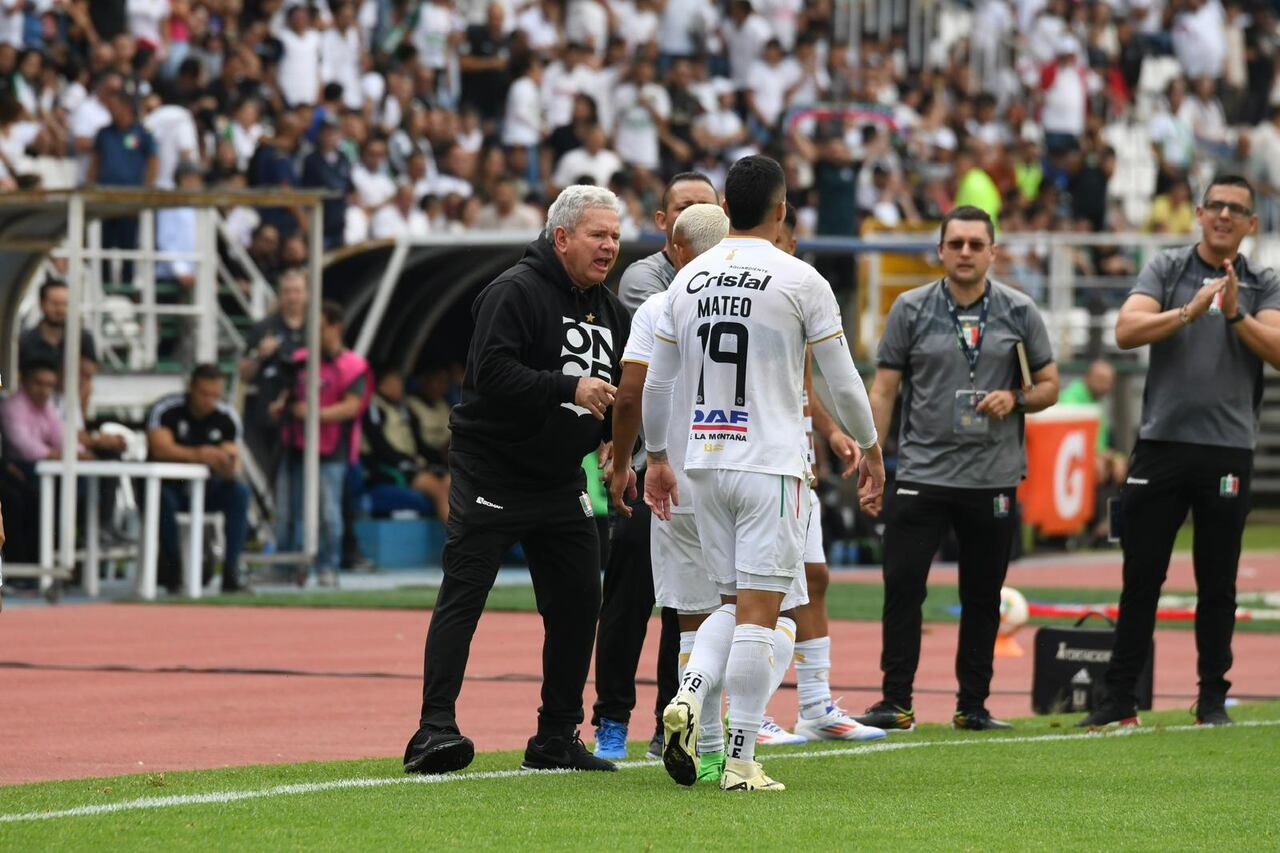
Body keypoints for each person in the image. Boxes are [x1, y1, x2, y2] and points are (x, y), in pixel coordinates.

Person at [642, 155, 884, 792]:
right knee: (761, 614)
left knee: (725, 605)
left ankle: (690, 694)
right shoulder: (800, 279)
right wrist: (871, 444)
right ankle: (743, 760)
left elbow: (659, 382)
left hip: (703, 463)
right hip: (770, 464)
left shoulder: (685, 281)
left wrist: (658, 457)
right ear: (781, 210)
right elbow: (842, 377)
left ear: (725, 209)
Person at [403, 185, 631, 776]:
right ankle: (434, 730)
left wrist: (612, 440)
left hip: (560, 480)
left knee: (581, 600)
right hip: (493, 471)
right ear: (561, 238)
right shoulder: (513, 291)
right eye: (597, 235)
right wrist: (568, 387)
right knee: (465, 595)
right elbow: (492, 372)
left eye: (614, 235)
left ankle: (555, 736)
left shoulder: (608, 310)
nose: (609, 246)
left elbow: (616, 393)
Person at [1079, 175, 1280, 728]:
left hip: (1227, 449)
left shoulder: (1263, 281)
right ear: (1198, 212)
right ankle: (1119, 700)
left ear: (1250, 224)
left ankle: (1212, 699)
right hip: (1162, 443)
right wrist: (1188, 312)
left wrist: (1236, 315)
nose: (1223, 215)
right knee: (1141, 576)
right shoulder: (1167, 269)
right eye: (1215, 205)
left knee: (1219, 582)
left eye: (1236, 209)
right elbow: (1126, 330)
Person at [858, 205, 1060, 733]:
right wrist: (871, 456)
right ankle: (895, 701)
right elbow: (884, 388)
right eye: (957, 243)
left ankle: (973, 704)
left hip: (991, 477)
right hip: (923, 471)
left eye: (976, 244)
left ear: (993, 252)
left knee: (982, 595)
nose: (966, 252)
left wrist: (1014, 398)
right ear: (940, 250)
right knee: (903, 586)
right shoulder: (910, 308)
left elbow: (1050, 386)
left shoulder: (1018, 310)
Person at [590, 171, 719, 763]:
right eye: (683, 208)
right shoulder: (648, 281)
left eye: (705, 208)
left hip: (712, 468)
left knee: (689, 603)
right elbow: (647, 377)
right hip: (650, 463)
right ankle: (612, 718)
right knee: (629, 600)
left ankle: (675, 721)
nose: (693, 217)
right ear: (666, 226)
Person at [769, 204, 886, 745]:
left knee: (814, 577)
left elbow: (803, 385)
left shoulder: (792, 298)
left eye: (788, 247)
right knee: (758, 591)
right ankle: (750, 711)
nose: (784, 254)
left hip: (798, 458)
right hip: (760, 462)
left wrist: (832, 431)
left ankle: (814, 705)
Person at [273, 301, 372, 588]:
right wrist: (282, 406)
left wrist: (313, 414)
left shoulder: (353, 365)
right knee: (285, 512)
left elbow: (352, 407)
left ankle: (328, 565)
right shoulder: (301, 359)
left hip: (331, 450)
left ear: (335, 327)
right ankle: (284, 568)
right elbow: (289, 393)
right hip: (294, 445)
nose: (313, 333)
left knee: (329, 513)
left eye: (320, 327)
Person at [145, 364, 252, 594]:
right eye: (204, 394)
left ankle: (231, 571)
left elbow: (232, 460)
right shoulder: (166, 409)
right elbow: (161, 448)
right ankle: (173, 571)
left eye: (215, 395)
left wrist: (226, 460)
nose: (209, 401)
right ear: (191, 388)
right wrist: (199, 455)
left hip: (205, 489)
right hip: (167, 487)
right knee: (163, 501)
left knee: (239, 493)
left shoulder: (226, 416)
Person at [240, 268, 308, 480]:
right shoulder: (264, 328)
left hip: (304, 413)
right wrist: (260, 355)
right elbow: (243, 374)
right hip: (268, 414)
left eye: (297, 291)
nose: (292, 297)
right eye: (287, 292)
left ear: (306, 294)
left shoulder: (315, 328)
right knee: (271, 473)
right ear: (280, 295)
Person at [361, 368, 451, 524]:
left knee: (452, 481)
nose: (400, 385)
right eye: (395, 381)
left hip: (413, 463)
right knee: (440, 490)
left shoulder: (403, 408)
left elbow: (419, 444)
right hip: (390, 468)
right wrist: (408, 461)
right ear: (382, 384)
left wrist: (441, 459)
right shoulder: (373, 407)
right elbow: (380, 447)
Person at [1058, 359, 1126, 546]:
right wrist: (1098, 457)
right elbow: (1070, 442)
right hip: (1069, 463)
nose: (1105, 386)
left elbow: (1102, 445)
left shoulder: (1098, 403)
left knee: (1123, 471)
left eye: (1109, 381)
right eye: (1101, 379)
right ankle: (1097, 528)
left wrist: (1115, 458)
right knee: (1099, 470)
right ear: (1088, 377)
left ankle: (1111, 531)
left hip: (1093, 459)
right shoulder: (1072, 398)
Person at [18, 280, 97, 375]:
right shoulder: (24, 341)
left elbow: (88, 377)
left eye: (65, 304)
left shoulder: (83, 339)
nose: (60, 309)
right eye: (55, 304)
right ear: (41, 304)